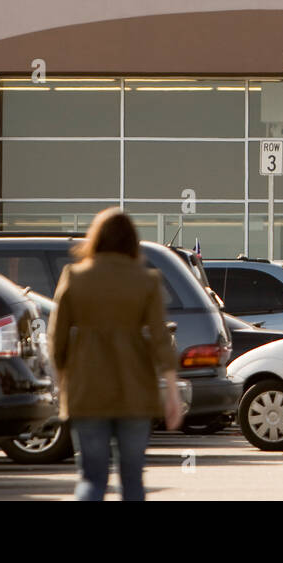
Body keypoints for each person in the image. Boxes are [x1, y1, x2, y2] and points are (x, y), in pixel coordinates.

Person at [49, 208, 182, 501]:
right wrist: (172, 391)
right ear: (132, 241)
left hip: (86, 391)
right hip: (135, 391)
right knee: (132, 479)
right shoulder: (147, 280)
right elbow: (161, 339)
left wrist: (62, 382)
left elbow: (56, 339)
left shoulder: (74, 276)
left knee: (91, 478)